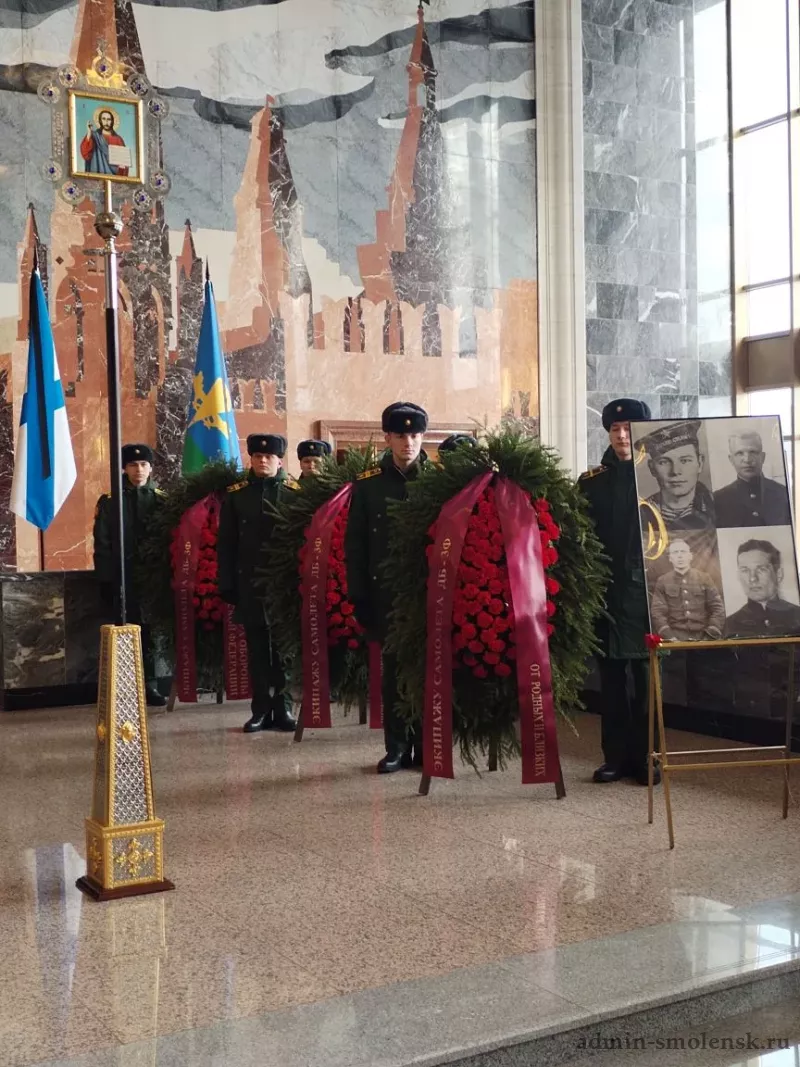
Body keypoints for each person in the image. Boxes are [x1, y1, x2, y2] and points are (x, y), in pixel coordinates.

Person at [579, 398, 659, 785]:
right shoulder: (591, 482)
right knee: (611, 682)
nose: (622, 436)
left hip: (647, 598)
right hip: (606, 597)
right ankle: (613, 758)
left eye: (628, 429)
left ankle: (647, 758)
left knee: (646, 684)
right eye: (615, 429)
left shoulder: (659, 479)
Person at [346, 401, 428, 773]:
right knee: (393, 674)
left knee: (426, 673)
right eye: (400, 436)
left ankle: (426, 746)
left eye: (414, 435)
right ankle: (396, 747)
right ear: (387, 438)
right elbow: (356, 545)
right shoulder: (368, 485)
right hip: (386, 596)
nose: (408, 443)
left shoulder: (438, 482)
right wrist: (359, 595)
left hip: (426, 595)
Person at [218, 433, 300, 732]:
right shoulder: (237, 495)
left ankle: (284, 708)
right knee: (257, 651)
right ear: (251, 459)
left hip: (283, 587)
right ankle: (260, 710)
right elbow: (226, 543)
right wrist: (227, 583)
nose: (263, 461)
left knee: (283, 651)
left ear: (279, 460)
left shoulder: (294, 494)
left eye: (269, 457)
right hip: (249, 583)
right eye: (257, 456)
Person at [93, 443, 166, 707]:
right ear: (124, 468)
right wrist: (105, 578)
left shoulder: (161, 499)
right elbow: (102, 543)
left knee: (151, 632)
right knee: (124, 629)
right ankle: (126, 686)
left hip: (152, 578)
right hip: (122, 576)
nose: (139, 470)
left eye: (144, 464)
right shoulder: (110, 501)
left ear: (151, 468)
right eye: (133, 465)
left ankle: (151, 684)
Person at [638, 420, 714, 531]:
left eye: (685, 461)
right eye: (664, 462)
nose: (675, 471)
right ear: (652, 468)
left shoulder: (720, 506)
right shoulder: (640, 512)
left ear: (700, 463)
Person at [650, 538, 725, 642]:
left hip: (703, 636)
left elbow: (718, 608)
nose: (680, 556)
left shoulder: (704, 578)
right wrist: (670, 637)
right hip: (675, 638)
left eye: (683, 552)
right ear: (670, 558)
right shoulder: (663, 581)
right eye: (675, 552)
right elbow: (657, 612)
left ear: (690, 556)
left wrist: (709, 636)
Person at [713, 431, 792, 528]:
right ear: (731, 459)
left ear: (762, 457)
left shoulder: (783, 493)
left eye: (753, 452)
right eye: (739, 453)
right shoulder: (718, 500)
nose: (747, 460)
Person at [725, 539, 800, 638]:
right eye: (745, 570)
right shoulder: (729, 625)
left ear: (778, 574)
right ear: (738, 575)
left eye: (761, 569)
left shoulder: (797, 616)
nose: (752, 578)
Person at [80, 109, 129, 176]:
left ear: (112, 121)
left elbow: (124, 163)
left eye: (109, 119)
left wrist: (119, 178)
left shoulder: (118, 139)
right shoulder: (94, 136)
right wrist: (89, 133)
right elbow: (85, 154)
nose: (106, 122)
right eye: (104, 119)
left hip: (114, 177)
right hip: (96, 175)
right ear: (100, 120)